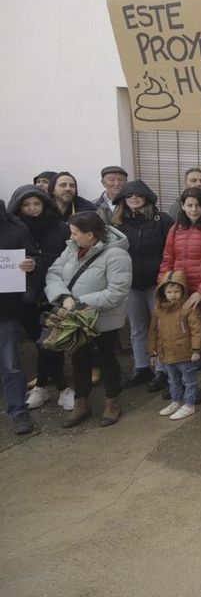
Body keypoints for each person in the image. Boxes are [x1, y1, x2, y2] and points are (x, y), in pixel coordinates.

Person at [45, 212, 132, 428]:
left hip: (102, 319)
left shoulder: (116, 255)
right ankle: (81, 402)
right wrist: (64, 297)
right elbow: (53, 272)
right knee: (78, 359)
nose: (72, 237)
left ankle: (112, 402)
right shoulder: (72, 248)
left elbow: (117, 291)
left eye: (75, 233)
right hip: (73, 317)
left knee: (106, 359)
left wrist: (80, 301)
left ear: (90, 235)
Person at [157, 187, 201, 403]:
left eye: (198, 205)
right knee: (181, 339)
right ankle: (182, 383)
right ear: (182, 206)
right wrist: (165, 287)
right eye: (189, 205)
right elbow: (167, 259)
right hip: (179, 293)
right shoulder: (175, 229)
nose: (194, 209)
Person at [9, 185, 72, 411]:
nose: (32, 209)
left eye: (37, 203)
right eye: (26, 205)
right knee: (40, 342)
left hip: (54, 293)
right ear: (18, 207)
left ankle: (54, 386)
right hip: (24, 296)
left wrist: (39, 264)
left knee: (52, 341)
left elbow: (69, 258)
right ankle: (50, 386)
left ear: (45, 204)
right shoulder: (12, 229)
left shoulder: (60, 228)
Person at [111, 180, 174, 389]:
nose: (134, 199)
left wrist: (167, 278)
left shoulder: (161, 220)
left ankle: (164, 370)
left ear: (146, 197)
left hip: (156, 282)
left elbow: (170, 249)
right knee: (137, 327)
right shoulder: (117, 224)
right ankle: (142, 367)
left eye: (138, 195)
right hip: (131, 283)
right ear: (123, 200)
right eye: (129, 196)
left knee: (161, 326)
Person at [147, 271, 201, 420]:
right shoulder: (158, 310)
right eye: (169, 291)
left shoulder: (189, 308)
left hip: (185, 353)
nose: (173, 295)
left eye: (177, 291)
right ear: (163, 292)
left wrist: (196, 350)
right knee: (172, 380)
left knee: (189, 380)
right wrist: (152, 352)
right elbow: (153, 331)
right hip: (166, 353)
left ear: (183, 291)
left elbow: (197, 330)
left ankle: (189, 404)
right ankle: (176, 401)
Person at [0, 203, 37, 435]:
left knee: (11, 364)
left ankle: (18, 410)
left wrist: (31, 264)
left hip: (6, 310)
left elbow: (33, 257)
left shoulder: (15, 230)